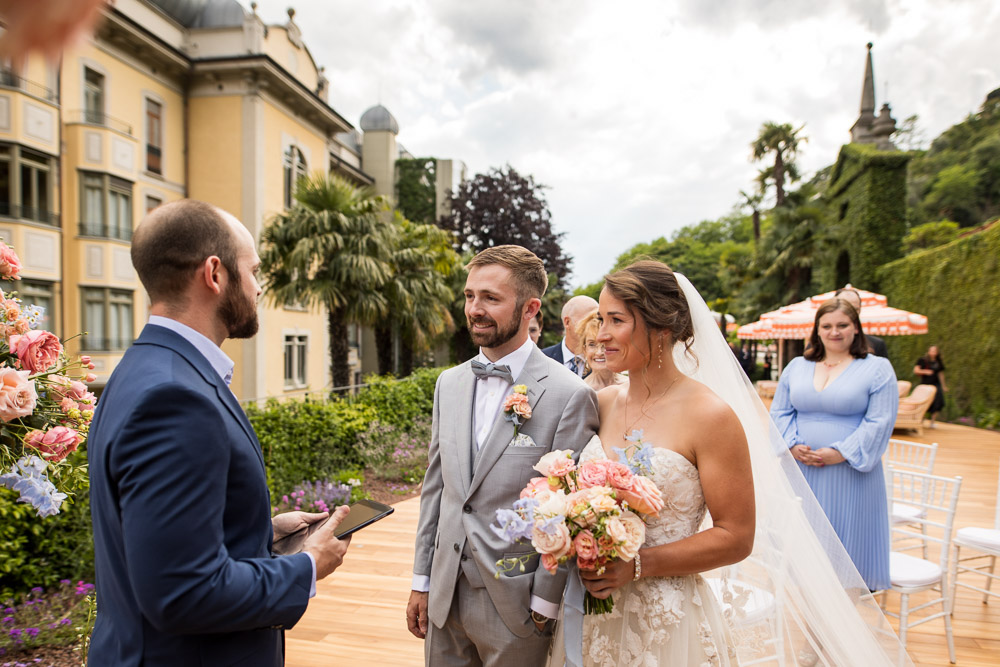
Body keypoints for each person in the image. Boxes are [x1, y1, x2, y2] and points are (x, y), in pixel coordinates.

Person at [550, 265, 909, 667]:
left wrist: (636, 565)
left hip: (664, 626)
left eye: (616, 320)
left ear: (661, 326)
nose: (600, 335)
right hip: (588, 613)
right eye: (601, 320)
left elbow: (736, 536)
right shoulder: (600, 403)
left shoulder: (711, 416)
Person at [88, 200, 353, 666]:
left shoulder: (141, 368)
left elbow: (157, 543)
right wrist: (309, 565)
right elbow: (183, 593)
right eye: (253, 271)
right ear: (215, 274)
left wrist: (262, 535)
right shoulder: (175, 397)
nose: (258, 287)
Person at [408, 245, 599, 666]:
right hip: (443, 596)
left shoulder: (570, 394)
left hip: (517, 604)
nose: (475, 309)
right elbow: (437, 489)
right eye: (469, 296)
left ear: (530, 308)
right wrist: (422, 580)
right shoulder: (448, 383)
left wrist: (543, 605)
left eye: (491, 298)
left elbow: (567, 508)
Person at [770, 298, 898, 591]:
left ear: (856, 328)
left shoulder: (877, 368)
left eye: (842, 325)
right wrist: (791, 445)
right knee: (801, 547)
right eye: (826, 326)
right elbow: (780, 411)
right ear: (817, 330)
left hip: (849, 473)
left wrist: (841, 452)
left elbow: (880, 421)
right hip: (800, 470)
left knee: (843, 550)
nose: (834, 332)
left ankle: (841, 613)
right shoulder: (797, 366)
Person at [542, 295, 598, 377]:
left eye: (598, 319)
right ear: (567, 322)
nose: (594, 325)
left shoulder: (605, 361)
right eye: (588, 320)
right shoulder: (543, 358)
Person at [574, 310, 623, 391]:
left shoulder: (630, 385)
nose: (599, 352)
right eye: (592, 344)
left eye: (605, 344)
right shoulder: (581, 391)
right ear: (584, 350)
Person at [835, 286, 889, 359]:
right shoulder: (822, 344)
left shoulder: (876, 345)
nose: (850, 312)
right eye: (845, 308)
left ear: (860, 310)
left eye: (855, 309)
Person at [914, 345, 947, 428]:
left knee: (937, 402)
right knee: (924, 402)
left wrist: (943, 386)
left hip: (936, 385)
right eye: (931, 351)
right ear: (928, 351)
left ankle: (932, 422)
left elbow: (941, 374)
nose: (933, 352)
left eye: (934, 351)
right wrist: (925, 372)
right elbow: (916, 370)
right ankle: (920, 420)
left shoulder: (938, 362)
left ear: (937, 352)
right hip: (925, 385)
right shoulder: (923, 360)